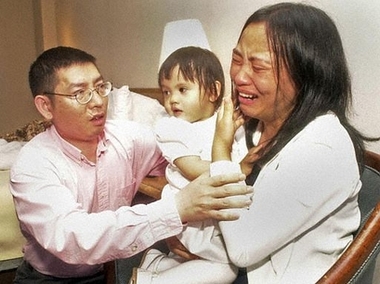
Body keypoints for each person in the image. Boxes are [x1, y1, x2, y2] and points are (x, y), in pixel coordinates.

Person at [9, 46, 253, 283]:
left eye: (100, 87)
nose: (97, 102)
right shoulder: (33, 164)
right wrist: (174, 211)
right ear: (45, 106)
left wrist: (176, 229)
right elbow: (73, 238)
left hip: (111, 268)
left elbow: (181, 162)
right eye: (80, 93)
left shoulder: (129, 138)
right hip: (49, 278)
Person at [205, 3, 379, 283]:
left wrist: (220, 151)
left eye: (258, 66)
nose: (239, 77)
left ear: (306, 75)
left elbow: (243, 246)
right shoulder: (253, 125)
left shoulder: (324, 148)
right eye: (237, 59)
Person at [130, 46, 260, 284]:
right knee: (225, 267)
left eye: (182, 90)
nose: (172, 100)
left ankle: (157, 264)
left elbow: (239, 143)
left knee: (195, 261)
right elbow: (192, 168)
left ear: (213, 91)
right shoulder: (170, 128)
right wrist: (239, 169)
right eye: (166, 92)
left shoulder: (222, 119)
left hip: (213, 213)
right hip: (190, 217)